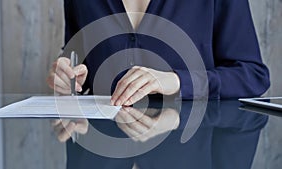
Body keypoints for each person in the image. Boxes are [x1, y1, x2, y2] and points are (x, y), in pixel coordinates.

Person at [47, 0, 270, 168]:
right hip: (96, 150)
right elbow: (79, 62)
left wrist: (178, 81)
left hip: (193, 143)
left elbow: (252, 74)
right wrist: (67, 78)